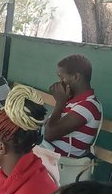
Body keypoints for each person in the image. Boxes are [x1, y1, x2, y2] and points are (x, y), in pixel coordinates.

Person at [43, 54, 103, 184]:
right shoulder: (71, 101)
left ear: (76, 77)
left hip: (63, 164)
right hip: (50, 158)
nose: (60, 83)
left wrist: (59, 103)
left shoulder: (89, 105)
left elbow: (49, 134)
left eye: (62, 77)